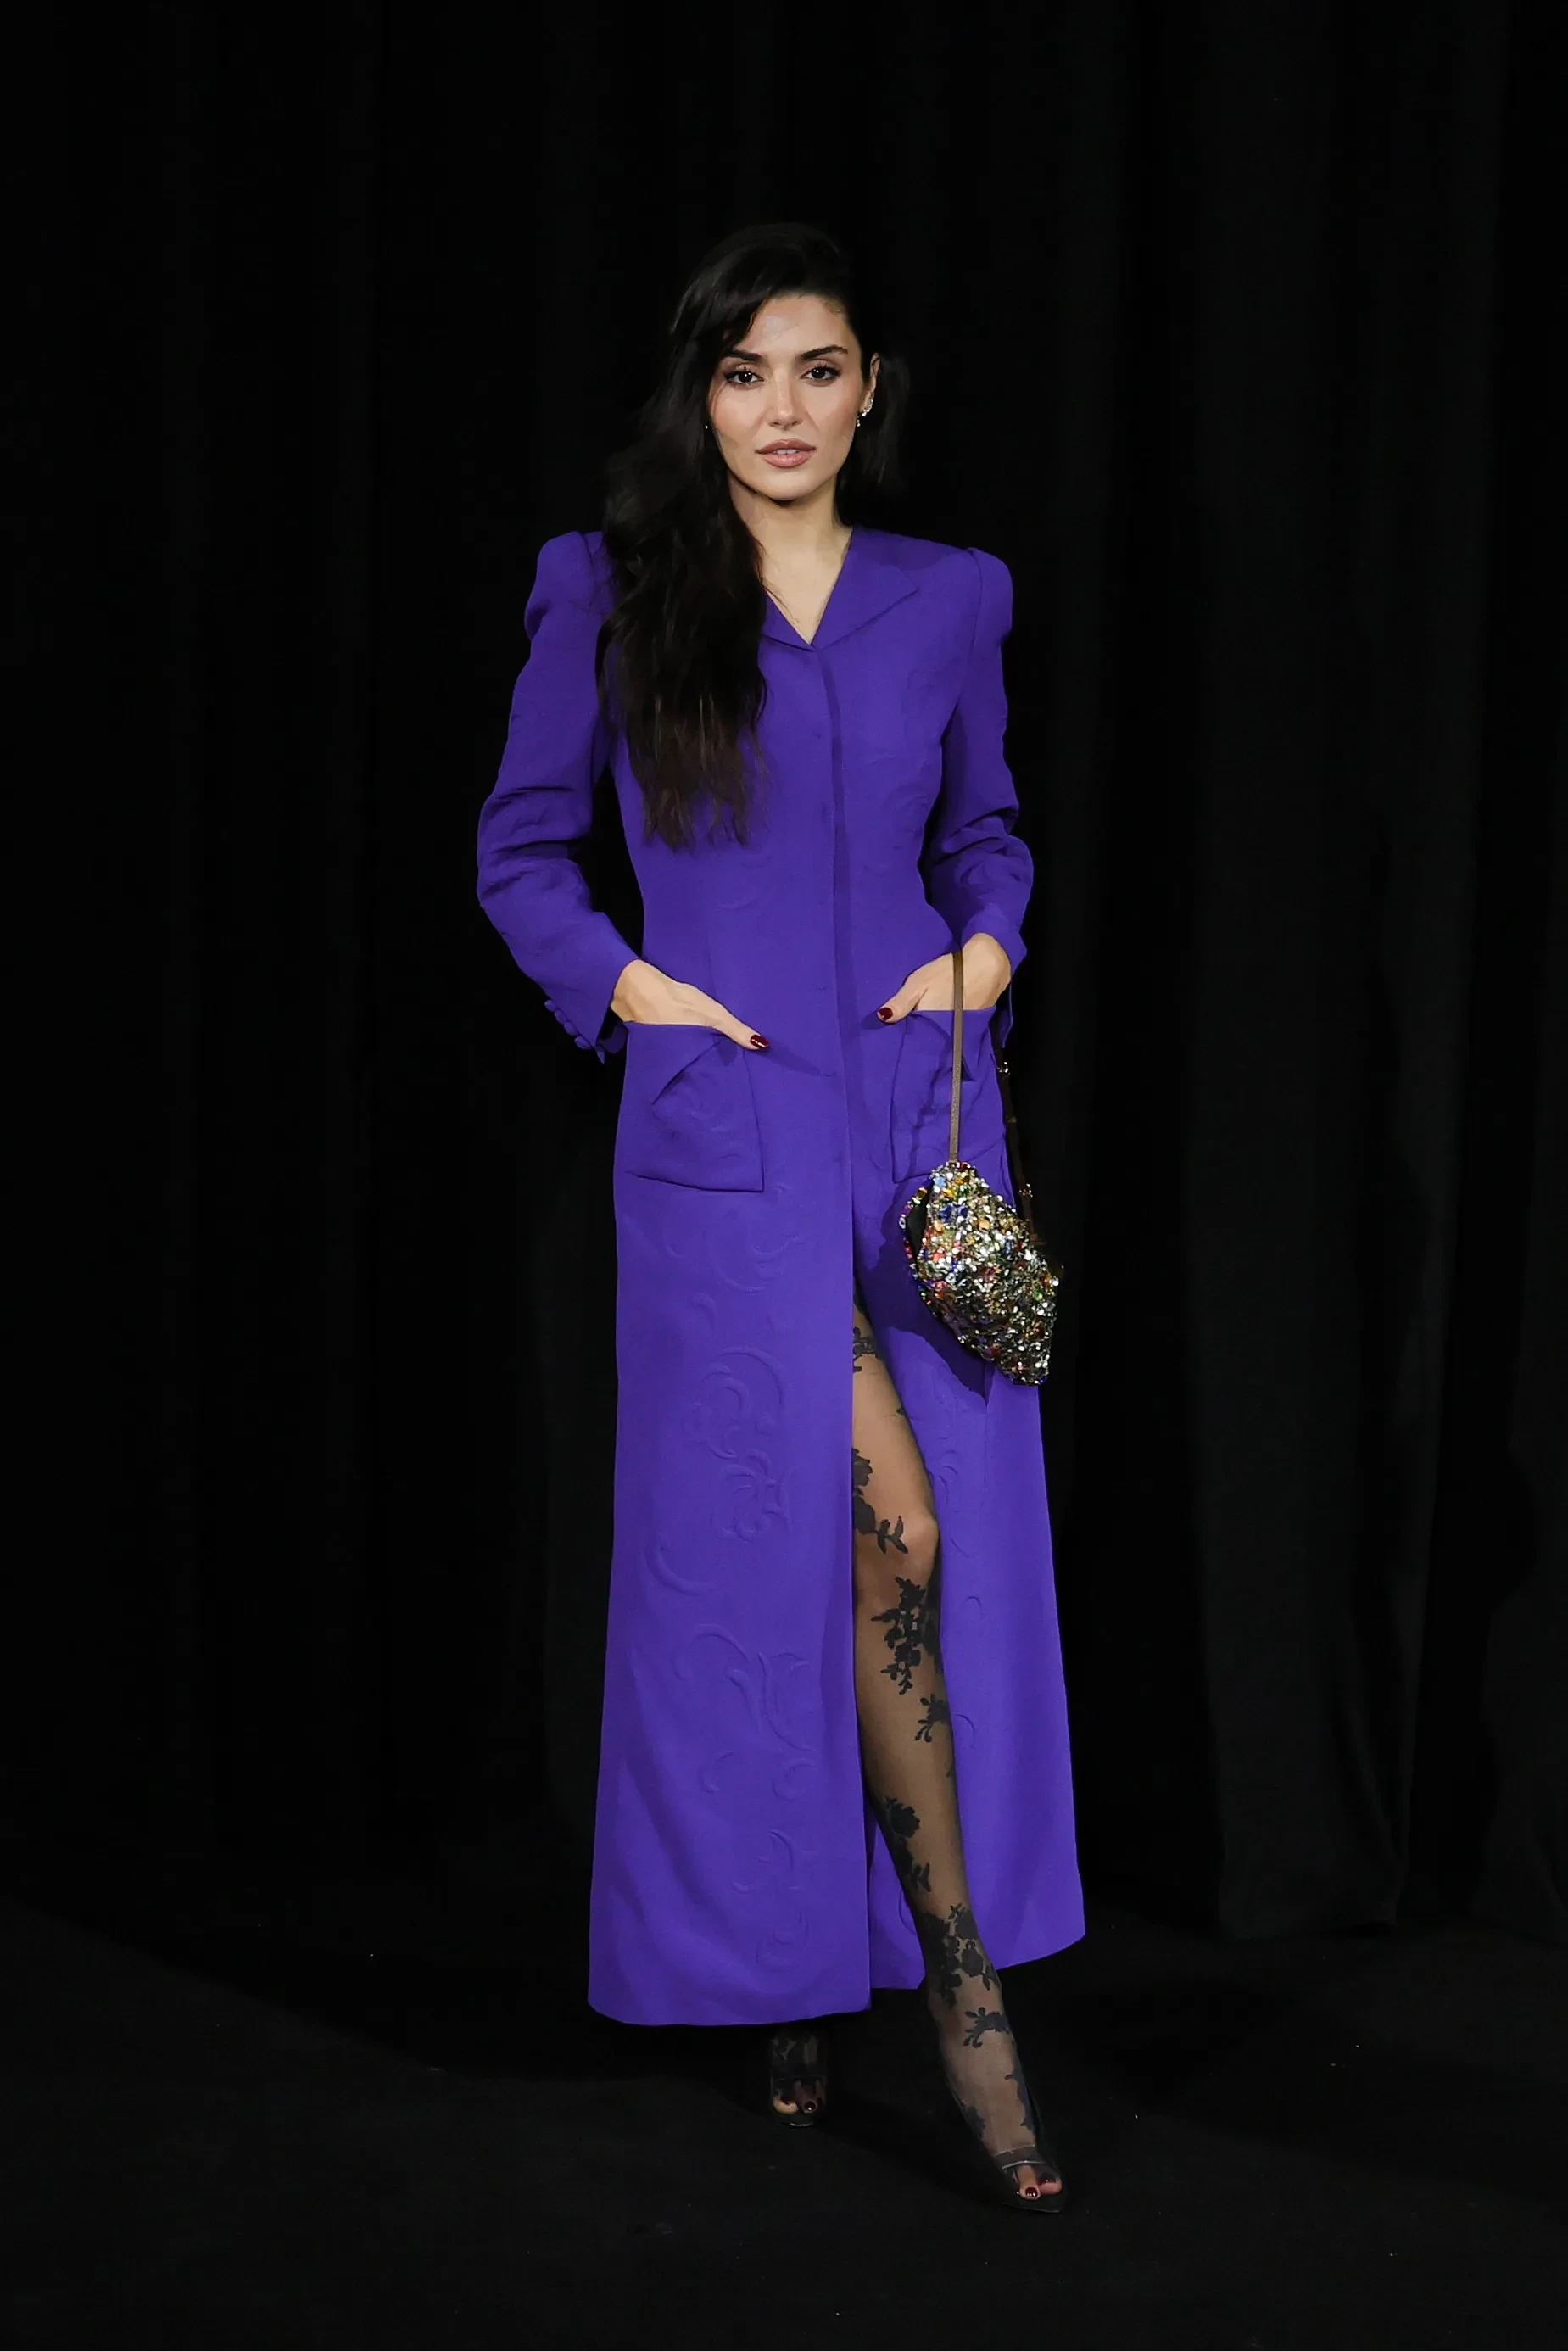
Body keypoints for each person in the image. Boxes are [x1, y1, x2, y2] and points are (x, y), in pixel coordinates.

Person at [475, 222, 1082, 2209]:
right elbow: (522, 854)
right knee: (846, 1541)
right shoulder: (608, 586)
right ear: (702, 393)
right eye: (747, 374)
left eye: (820, 370)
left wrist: (988, 949)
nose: (785, 410)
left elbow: (989, 830)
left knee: (901, 1566)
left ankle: (815, 1972)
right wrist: (631, 991)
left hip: (921, 1133)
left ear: (870, 387)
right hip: (724, 1143)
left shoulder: (951, 595)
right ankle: (966, 2011)